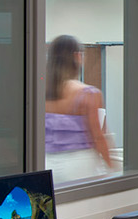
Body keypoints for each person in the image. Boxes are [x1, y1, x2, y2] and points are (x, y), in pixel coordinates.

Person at [44, 35, 113, 183]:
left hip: (46, 164)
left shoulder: (39, 93)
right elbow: (98, 137)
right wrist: (112, 168)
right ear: (77, 56)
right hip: (80, 165)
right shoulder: (88, 94)